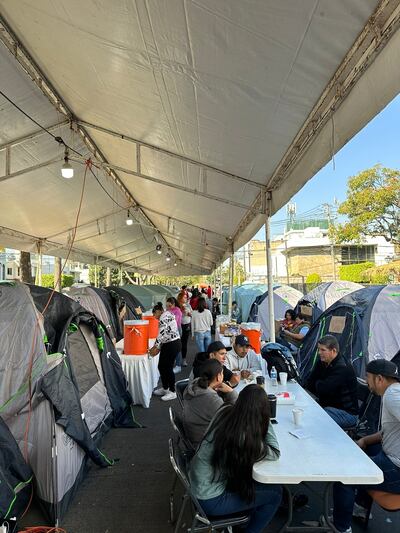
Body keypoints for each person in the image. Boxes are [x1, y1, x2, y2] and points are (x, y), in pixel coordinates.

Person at [189, 385, 282, 533]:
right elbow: (275, 452)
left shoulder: (224, 411)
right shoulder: (243, 437)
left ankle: (245, 520)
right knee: (276, 494)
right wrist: (266, 417)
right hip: (210, 499)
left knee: (254, 481)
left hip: (198, 484)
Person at [332, 359, 400, 533]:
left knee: (345, 475)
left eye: (367, 377)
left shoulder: (392, 395)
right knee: (370, 450)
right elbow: (387, 432)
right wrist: (364, 441)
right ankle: (359, 509)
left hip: (396, 467)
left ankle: (342, 528)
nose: (366, 382)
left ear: (379, 379)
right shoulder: (392, 392)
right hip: (389, 457)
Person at [305, 335, 358, 429]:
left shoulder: (342, 367)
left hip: (347, 413)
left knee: (312, 419)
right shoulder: (323, 361)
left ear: (333, 351)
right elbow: (309, 383)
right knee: (304, 411)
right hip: (328, 406)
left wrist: (318, 383)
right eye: (318, 349)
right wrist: (319, 384)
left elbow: (323, 389)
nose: (319, 353)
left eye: (323, 350)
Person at [183, 359, 238, 448]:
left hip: (195, 435)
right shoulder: (211, 399)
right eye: (222, 373)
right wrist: (231, 392)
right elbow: (236, 418)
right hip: (207, 445)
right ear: (219, 376)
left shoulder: (195, 385)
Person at [149, 303, 182, 401]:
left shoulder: (163, 317)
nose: (154, 317)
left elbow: (161, 334)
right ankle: (165, 388)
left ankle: (172, 391)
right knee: (162, 366)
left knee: (167, 368)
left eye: (154, 314)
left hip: (172, 344)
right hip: (170, 343)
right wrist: (158, 346)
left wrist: (155, 347)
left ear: (158, 311)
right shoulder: (168, 313)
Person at [166, 297, 183, 373]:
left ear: (174, 304)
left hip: (177, 330)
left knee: (177, 349)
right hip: (170, 330)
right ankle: (175, 363)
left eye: (169, 306)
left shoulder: (177, 310)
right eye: (167, 306)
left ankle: (178, 366)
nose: (168, 307)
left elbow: (174, 322)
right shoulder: (169, 310)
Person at [177, 291, 192, 368]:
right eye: (184, 297)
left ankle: (183, 359)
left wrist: (189, 314)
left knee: (184, 343)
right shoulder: (177, 306)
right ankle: (178, 361)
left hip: (186, 325)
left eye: (186, 297)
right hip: (178, 326)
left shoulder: (188, 305)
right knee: (178, 343)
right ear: (180, 298)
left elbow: (192, 314)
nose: (186, 298)